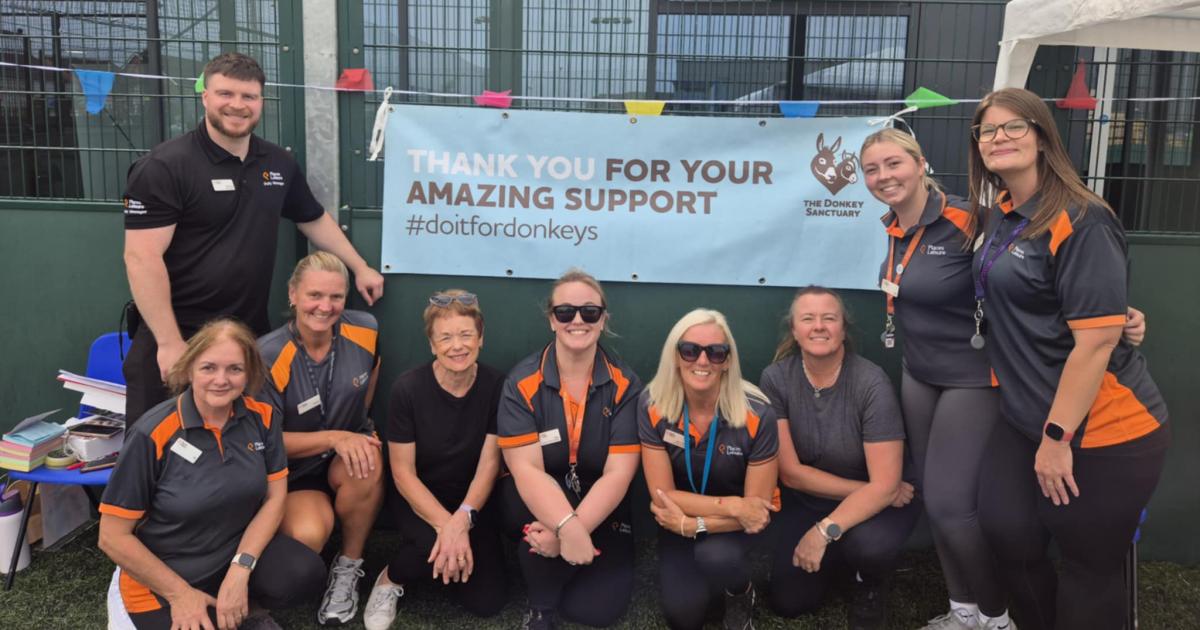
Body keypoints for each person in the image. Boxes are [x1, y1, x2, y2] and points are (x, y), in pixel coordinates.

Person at [966, 87, 1169, 630]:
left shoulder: (1083, 218)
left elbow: (1096, 342)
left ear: (1042, 137)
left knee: (1088, 569)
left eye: (1014, 126)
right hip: (1024, 418)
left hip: (1102, 430)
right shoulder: (1001, 215)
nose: (1000, 137)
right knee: (1007, 532)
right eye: (988, 130)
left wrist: (1058, 438)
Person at [122, 51, 384, 425]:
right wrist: (168, 342)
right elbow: (141, 257)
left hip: (246, 339)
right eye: (225, 94)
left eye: (249, 96)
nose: (237, 105)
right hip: (180, 337)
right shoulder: (165, 166)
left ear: (261, 101)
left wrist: (359, 267)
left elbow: (311, 218)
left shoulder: (277, 163)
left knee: (243, 446)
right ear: (205, 96)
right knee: (159, 450)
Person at [98, 318, 325, 630]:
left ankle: (245, 609)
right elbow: (111, 537)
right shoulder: (152, 433)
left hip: (232, 556)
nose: (221, 380)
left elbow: (275, 498)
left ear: (249, 373)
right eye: (208, 368)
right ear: (189, 369)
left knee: (303, 572)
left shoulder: (263, 418)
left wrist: (241, 569)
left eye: (235, 369)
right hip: (165, 577)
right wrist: (180, 595)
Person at [760, 287, 918, 630]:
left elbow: (885, 485)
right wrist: (878, 490)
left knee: (868, 547)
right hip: (819, 499)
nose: (819, 326)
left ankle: (868, 582)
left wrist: (823, 532)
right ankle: (837, 558)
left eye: (829, 318)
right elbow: (791, 474)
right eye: (808, 319)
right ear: (794, 331)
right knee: (790, 602)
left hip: (880, 509)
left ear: (843, 329)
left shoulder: (871, 382)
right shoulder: (776, 379)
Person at [496, 269, 643, 629]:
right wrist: (566, 527)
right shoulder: (521, 381)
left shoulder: (626, 384)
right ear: (552, 320)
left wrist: (574, 530)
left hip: (600, 500)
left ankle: (553, 555)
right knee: (531, 512)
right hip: (539, 495)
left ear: (603, 319)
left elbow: (618, 473)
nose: (577, 320)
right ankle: (540, 609)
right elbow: (526, 470)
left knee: (595, 612)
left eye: (589, 312)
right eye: (565, 312)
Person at [362, 289, 508, 629]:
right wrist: (447, 526)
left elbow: (489, 465)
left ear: (481, 338)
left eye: (466, 335)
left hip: (472, 500)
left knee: (487, 602)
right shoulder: (408, 389)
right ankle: (390, 578)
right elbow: (403, 473)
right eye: (445, 337)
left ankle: (447, 564)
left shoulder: (497, 385)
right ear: (432, 344)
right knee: (432, 550)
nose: (457, 346)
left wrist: (463, 519)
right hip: (418, 496)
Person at [256, 252, 383, 626]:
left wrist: (356, 431)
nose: (325, 307)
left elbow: (372, 375)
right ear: (293, 294)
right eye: (314, 295)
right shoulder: (268, 354)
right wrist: (333, 437)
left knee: (367, 458)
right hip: (294, 473)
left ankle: (349, 565)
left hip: (344, 456)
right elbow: (264, 442)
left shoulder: (366, 329)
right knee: (308, 534)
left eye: (336, 297)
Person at [638, 308, 779, 630]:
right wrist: (731, 505)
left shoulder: (758, 413)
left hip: (732, 529)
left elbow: (755, 511)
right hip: (680, 518)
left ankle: (740, 592)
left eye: (716, 352)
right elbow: (662, 496)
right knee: (683, 618)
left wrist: (693, 525)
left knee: (717, 557)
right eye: (690, 350)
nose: (702, 361)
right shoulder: (652, 404)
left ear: (728, 361)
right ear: (675, 356)